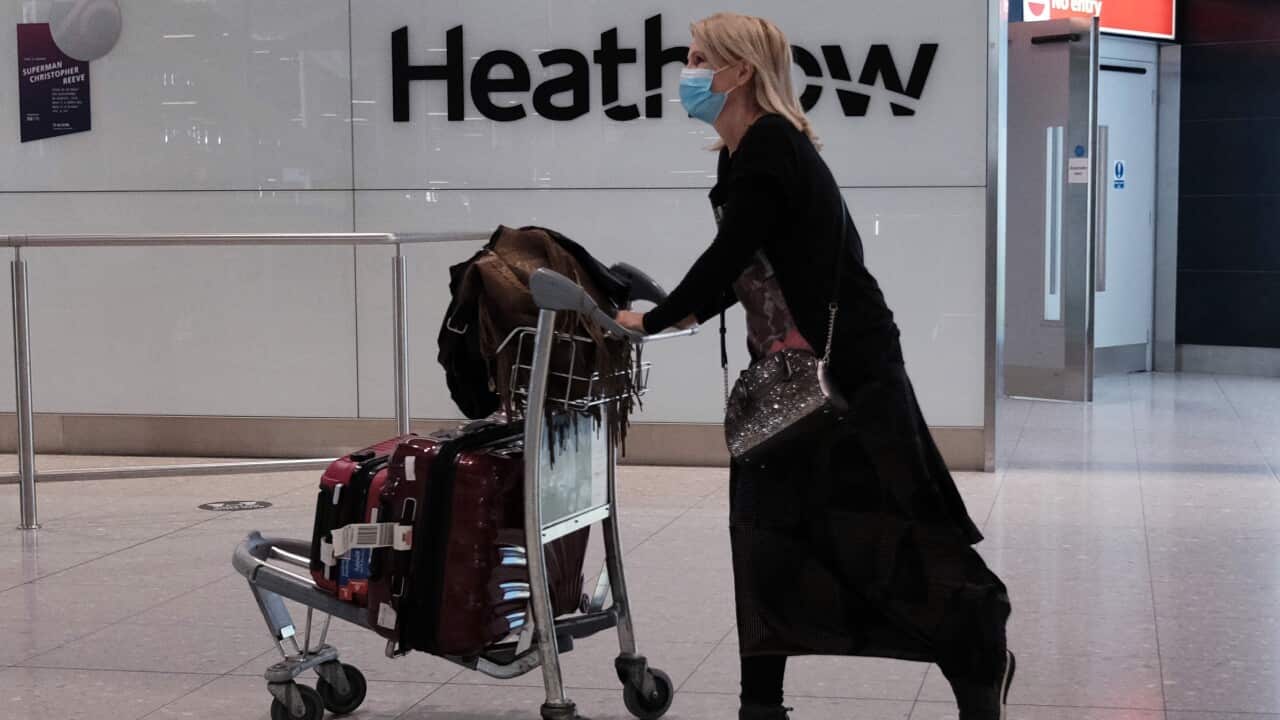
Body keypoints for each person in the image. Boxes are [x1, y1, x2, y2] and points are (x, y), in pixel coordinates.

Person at [615, 13, 1015, 720]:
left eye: (701, 58)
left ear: (740, 71)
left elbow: (728, 254)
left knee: (891, 528)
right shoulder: (738, 154)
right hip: (781, 386)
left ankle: (978, 647)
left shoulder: (772, 142)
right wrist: (683, 313)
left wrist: (656, 317)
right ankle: (760, 705)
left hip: (847, 378)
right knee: (765, 538)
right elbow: (753, 262)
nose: (688, 71)